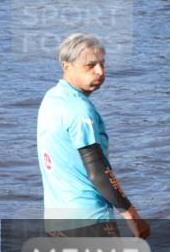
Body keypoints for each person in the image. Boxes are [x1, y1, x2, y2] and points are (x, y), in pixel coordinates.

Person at [37, 33, 150, 239]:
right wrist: (132, 216)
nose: (100, 71)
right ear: (66, 66)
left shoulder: (52, 98)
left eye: (102, 64)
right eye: (90, 66)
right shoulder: (79, 110)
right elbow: (98, 171)